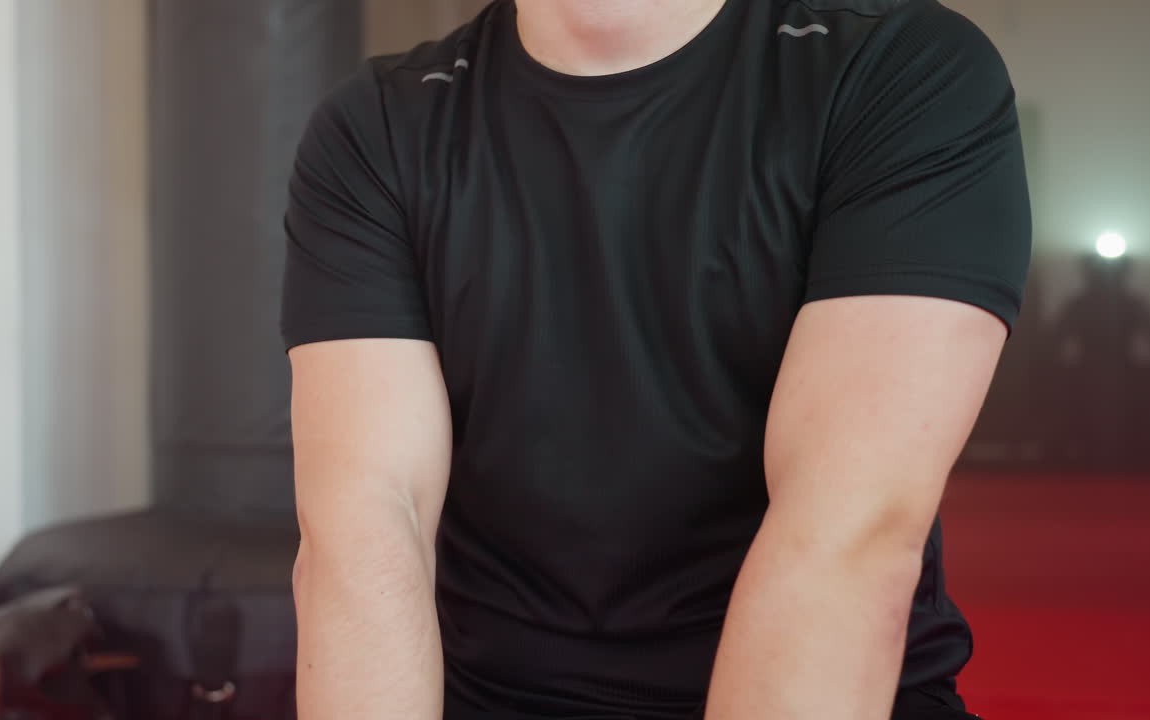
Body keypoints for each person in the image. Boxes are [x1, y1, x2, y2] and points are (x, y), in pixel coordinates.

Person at [280, 0, 1032, 718]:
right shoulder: (378, 127)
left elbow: (849, 535)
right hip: (497, 698)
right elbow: (367, 529)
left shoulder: (897, 70)